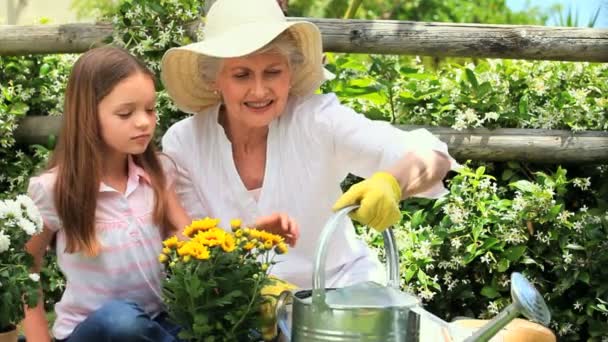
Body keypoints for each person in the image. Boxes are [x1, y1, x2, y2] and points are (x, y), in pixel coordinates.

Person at [160, 0, 456, 289]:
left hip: (343, 288)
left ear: (290, 72)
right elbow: (195, 250)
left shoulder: (318, 120)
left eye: (273, 72)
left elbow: (432, 154)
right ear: (214, 79)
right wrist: (249, 239)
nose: (260, 90)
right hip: (241, 306)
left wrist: (391, 183)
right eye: (241, 75)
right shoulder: (186, 142)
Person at [21, 46, 297, 342]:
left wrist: (250, 235)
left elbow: (190, 242)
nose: (143, 122)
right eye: (125, 113)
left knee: (241, 324)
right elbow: (27, 270)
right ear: (87, 115)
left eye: (150, 110)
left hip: (159, 324)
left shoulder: (158, 174)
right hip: (99, 332)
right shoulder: (53, 189)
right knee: (122, 321)